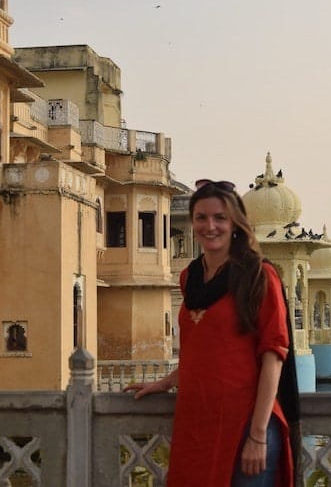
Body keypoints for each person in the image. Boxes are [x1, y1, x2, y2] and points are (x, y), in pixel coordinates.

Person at [125, 179, 293, 486]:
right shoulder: (190, 277)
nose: (210, 226)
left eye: (220, 217)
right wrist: (168, 380)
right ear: (192, 221)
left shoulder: (257, 275)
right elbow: (202, 346)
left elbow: (273, 355)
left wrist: (257, 436)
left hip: (244, 424)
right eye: (201, 217)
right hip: (197, 421)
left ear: (235, 223)